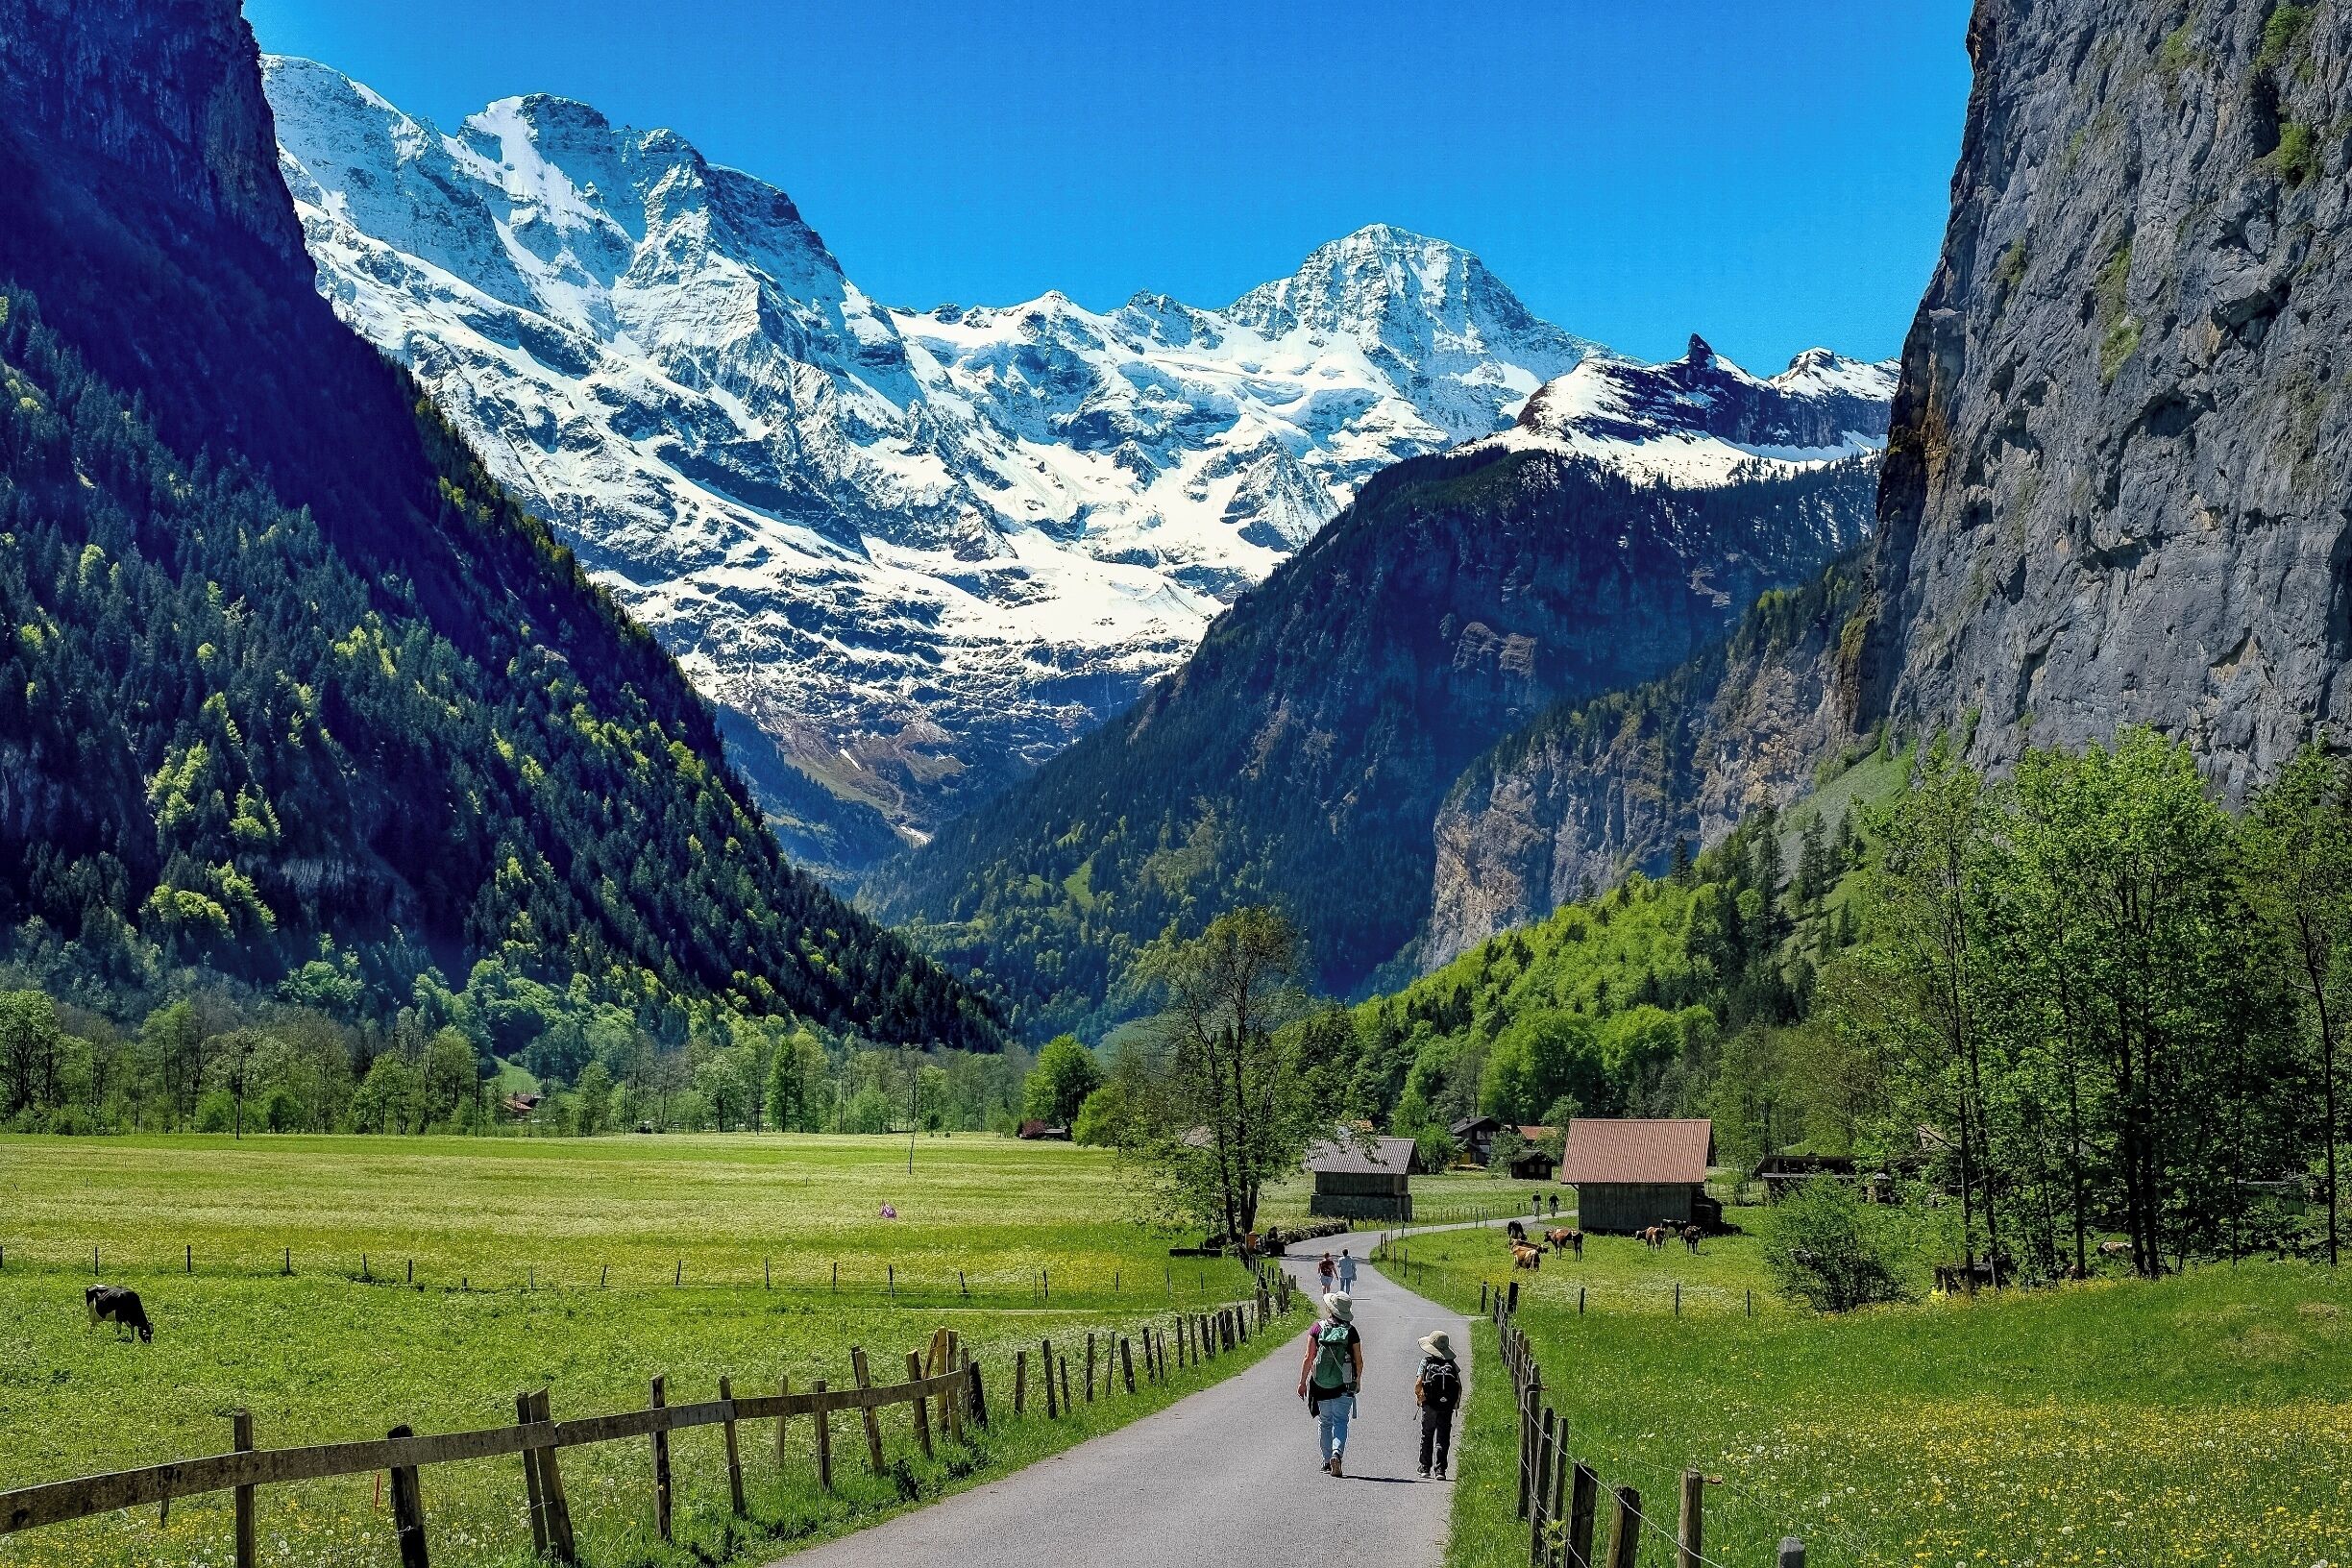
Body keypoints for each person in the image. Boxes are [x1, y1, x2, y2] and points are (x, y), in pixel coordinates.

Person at [1298, 1292, 1363, 1476]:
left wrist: (1302, 1382)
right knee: (1341, 1421)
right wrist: (1357, 1381)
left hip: (1320, 1384)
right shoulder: (1351, 1331)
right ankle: (1337, 1453)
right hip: (1344, 1383)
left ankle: (1326, 1461)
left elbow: (1308, 1357)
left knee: (1325, 1422)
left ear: (1330, 1309)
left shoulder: (1317, 1329)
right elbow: (1359, 1360)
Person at [1413, 1329, 1463, 1479]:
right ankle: (1440, 1470)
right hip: (1446, 1405)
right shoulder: (1452, 1364)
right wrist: (1456, 1403)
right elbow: (1458, 1385)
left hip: (1429, 1403)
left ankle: (1424, 1468)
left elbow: (1418, 1383)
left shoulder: (1426, 1362)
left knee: (1427, 1434)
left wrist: (1419, 1396)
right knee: (1443, 1436)